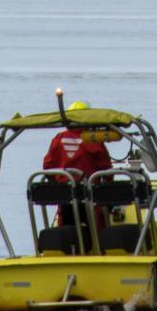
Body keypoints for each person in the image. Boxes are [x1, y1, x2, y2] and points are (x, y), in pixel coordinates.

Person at [43, 100, 113, 247]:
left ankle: (65, 251)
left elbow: (47, 166)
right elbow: (107, 171)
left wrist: (56, 182)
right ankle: (97, 250)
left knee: (64, 232)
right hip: (90, 200)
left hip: (65, 198)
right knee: (98, 231)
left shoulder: (58, 139)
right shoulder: (93, 140)